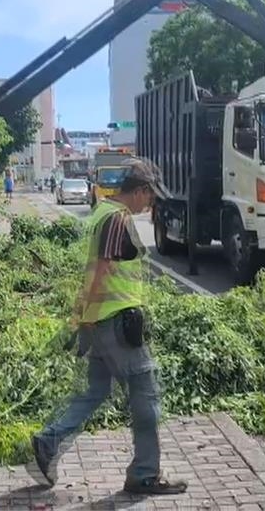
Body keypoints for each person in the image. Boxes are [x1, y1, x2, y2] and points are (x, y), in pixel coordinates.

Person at [30, 158, 187, 496]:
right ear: (140, 190)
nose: (151, 204)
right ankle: (145, 474)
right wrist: (84, 318)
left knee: (94, 392)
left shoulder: (101, 213)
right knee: (146, 396)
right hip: (116, 323)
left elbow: (90, 271)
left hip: (99, 323)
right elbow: (101, 272)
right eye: (151, 197)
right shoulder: (118, 218)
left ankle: (48, 442)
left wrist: (81, 317)